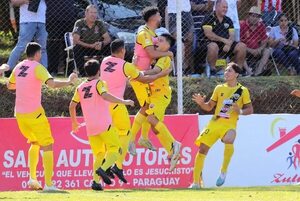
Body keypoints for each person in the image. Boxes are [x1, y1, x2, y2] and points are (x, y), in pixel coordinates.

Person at [7, 42, 78, 191]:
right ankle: (49, 184)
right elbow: (52, 84)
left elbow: (10, 85)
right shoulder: (38, 68)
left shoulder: (19, 67)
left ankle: (32, 178)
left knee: (34, 143)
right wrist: (69, 82)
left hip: (19, 114)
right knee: (47, 145)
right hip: (34, 114)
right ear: (38, 54)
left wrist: (23, 84)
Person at [100, 39, 171, 183]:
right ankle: (116, 166)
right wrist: (161, 74)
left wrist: (133, 66)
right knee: (126, 135)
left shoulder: (104, 61)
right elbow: (143, 79)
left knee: (111, 137)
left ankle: (107, 165)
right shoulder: (125, 66)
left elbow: (121, 74)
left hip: (103, 105)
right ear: (122, 51)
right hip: (117, 104)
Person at [69, 59, 134, 190]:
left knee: (99, 154)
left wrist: (75, 122)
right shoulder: (100, 83)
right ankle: (103, 169)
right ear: (99, 71)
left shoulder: (80, 87)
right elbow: (105, 96)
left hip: (91, 127)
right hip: (104, 124)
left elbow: (72, 106)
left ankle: (95, 182)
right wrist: (124, 102)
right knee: (116, 149)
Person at [189, 62, 253, 189]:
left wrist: (239, 111)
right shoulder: (219, 88)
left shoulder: (242, 91)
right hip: (215, 123)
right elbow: (209, 107)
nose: (226, 73)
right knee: (202, 150)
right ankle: (196, 183)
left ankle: (223, 171)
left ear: (236, 74)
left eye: (229, 71)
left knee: (229, 139)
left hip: (229, 124)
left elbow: (250, 109)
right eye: (225, 71)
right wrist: (201, 103)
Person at [129, 6, 173, 155]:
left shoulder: (152, 33)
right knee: (146, 107)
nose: (161, 17)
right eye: (159, 15)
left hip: (145, 77)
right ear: (153, 17)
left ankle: (142, 137)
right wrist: (170, 53)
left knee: (147, 108)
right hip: (139, 76)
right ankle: (131, 140)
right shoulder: (144, 33)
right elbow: (152, 53)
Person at [143, 33, 182, 171]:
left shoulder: (164, 57)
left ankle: (174, 144)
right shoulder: (160, 56)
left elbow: (156, 71)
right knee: (154, 126)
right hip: (155, 95)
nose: (157, 42)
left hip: (161, 95)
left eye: (161, 40)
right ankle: (172, 153)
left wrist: (139, 73)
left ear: (168, 46)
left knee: (151, 119)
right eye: (157, 40)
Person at [202, 0, 251, 76]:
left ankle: (238, 71)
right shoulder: (209, 17)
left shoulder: (228, 20)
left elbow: (232, 35)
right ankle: (213, 70)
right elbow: (209, 34)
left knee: (242, 46)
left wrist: (228, 44)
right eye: (223, 7)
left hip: (226, 45)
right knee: (213, 46)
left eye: (226, 7)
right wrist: (224, 40)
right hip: (211, 44)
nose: (225, 9)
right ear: (217, 7)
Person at [7, 0, 48, 71]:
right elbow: (14, 2)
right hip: (27, 21)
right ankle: (7, 70)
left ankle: (44, 72)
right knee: (21, 47)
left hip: (42, 21)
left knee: (42, 48)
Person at [72, 5, 111, 76]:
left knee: (110, 46)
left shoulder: (99, 23)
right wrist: (90, 45)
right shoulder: (79, 23)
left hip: (97, 47)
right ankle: (83, 74)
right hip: (84, 47)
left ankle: (107, 71)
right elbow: (75, 40)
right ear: (86, 14)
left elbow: (108, 39)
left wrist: (101, 43)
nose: (94, 15)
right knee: (76, 48)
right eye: (91, 12)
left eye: (95, 13)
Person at [240, 6, 271, 76]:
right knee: (240, 50)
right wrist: (250, 50)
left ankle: (258, 72)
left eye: (257, 17)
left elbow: (264, 41)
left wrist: (259, 49)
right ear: (249, 16)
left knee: (267, 51)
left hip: (257, 51)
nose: (255, 18)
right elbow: (238, 42)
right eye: (253, 16)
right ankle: (249, 73)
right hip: (245, 50)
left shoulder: (261, 26)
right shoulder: (242, 25)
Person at [166, 0, 194, 74]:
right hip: (173, 11)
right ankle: (177, 70)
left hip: (186, 11)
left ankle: (186, 68)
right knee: (178, 42)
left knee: (189, 40)